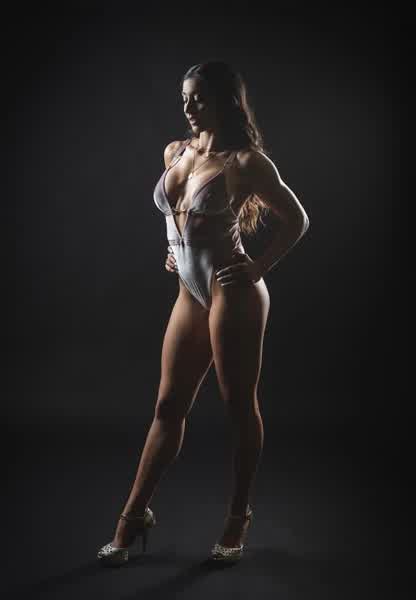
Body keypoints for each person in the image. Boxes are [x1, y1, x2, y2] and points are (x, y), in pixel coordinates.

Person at [98, 61, 309, 566]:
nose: (189, 106)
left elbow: (297, 219)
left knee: (238, 408)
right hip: (189, 293)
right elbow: (179, 220)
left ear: (225, 101)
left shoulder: (246, 162)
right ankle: (132, 517)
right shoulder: (176, 151)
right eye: (184, 97)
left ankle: (238, 517)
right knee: (167, 406)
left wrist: (258, 265)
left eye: (198, 97)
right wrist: (174, 250)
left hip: (232, 294)